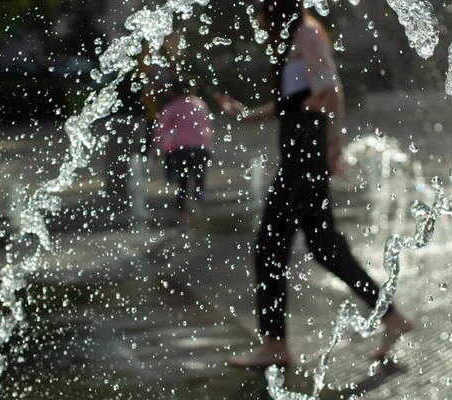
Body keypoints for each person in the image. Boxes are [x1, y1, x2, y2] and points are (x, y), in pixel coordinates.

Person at [214, 0, 413, 368]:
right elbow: (292, 102)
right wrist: (245, 114)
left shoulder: (305, 32)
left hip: (307, 153)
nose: (257, 15)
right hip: (300, 152)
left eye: (260, 7)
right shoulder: (293, 39)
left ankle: (275, 346)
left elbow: (331, 90)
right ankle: (392, 317)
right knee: (325, 247)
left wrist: (333, 146)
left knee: (269, 246)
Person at [153, 79, 213, 231]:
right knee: (199, 181)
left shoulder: (171, 107)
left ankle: (183, 219)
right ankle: (198, 211)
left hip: (180, 150)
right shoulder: (200, 104)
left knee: (183, 184)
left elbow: (161, 130)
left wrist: (158, 149)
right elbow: (207, 126)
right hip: (201, 149)